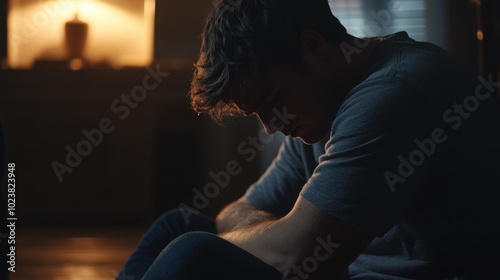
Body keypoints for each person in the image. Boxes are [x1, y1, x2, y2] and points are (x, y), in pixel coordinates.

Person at [117, 0, 500, 279]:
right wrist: (276, 230)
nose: (270, 126)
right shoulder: (321, 107)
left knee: (193, 251)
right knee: (177, 225)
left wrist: (280, 233)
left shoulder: (394, 92)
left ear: (313, 46)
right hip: (344, 272)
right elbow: (235, 211)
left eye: (270, 101)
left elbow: (296, 255)